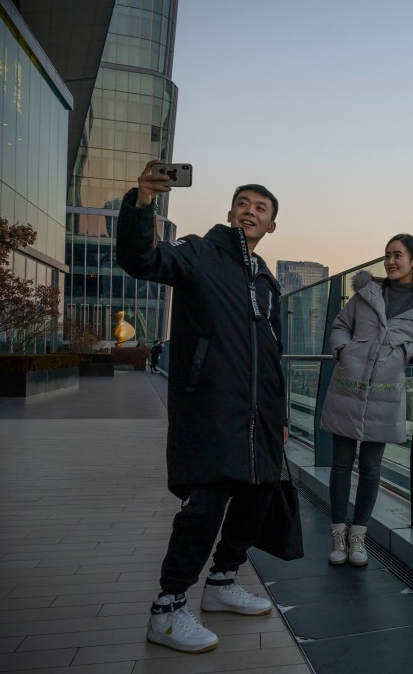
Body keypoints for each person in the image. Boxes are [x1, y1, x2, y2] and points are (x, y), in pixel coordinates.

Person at [117, 160, 288, 653]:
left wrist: (277, 419)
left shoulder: (264, 280)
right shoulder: (199, 252)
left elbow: (271, 354)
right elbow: (142, 260)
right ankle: (168, 609)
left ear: (271, 224)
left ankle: (222, 583)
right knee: (207, 504)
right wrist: (142, 201)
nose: (250, 212)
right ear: (231, 213)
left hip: (259, 412)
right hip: (211, 404)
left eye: (260, 208)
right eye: (243, 204)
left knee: (258, 494)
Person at [319, 233, 413, 566]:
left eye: (398, 255)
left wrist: (402, 352)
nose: (391, 262)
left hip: (384, 396)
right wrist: (343, 350)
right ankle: (337, 534)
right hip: (347, 387)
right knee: (340, 466)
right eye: (387, 255)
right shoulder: (367, 293)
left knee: (370, 468)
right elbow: (340, 324)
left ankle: (358, 536)